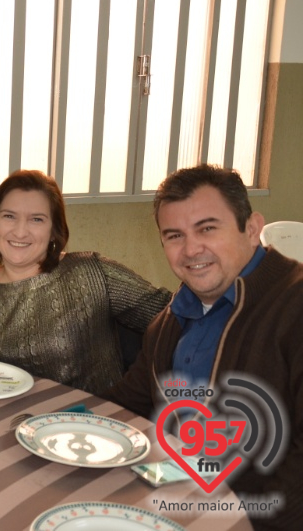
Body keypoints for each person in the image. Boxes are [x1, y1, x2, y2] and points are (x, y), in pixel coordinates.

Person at [104, 165, 303, 531]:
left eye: (208, 228)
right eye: (174, 235)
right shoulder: (172, 319)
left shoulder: (294, 304)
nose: (191, 249)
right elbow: (127, 403)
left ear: (252, 228)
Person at [0, 170, 171, 394]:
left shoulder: (93, 272)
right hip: (9, 425)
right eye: (9, 216)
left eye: (36, 219)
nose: (20, 231)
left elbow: (176, 317)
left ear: (54, 230)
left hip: (93, 427)